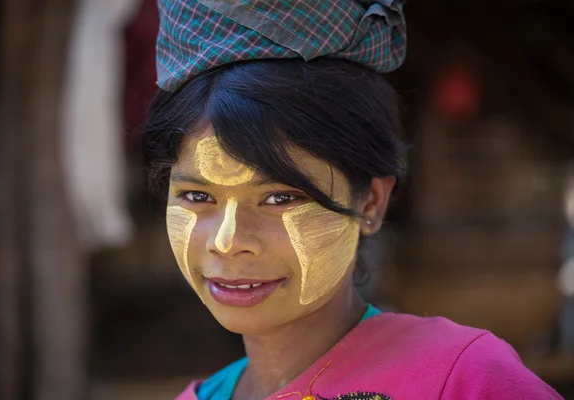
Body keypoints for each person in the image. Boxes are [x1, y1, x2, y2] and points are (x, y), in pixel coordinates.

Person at [143, 1, 564, 399]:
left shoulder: (463, 379)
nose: (228, 240)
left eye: (279, 197)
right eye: (197, 196)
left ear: (371, 203)